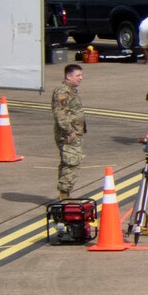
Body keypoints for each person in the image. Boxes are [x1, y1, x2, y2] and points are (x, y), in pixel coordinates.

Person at [50, 63, 86, 200]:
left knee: (68, 162)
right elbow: (60, 114)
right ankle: (64, 195)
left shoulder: (70, 91)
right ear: (68, 76)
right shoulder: (62, 92)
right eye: (78, 75)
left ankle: (64, 194)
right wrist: (70, 131)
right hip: (68, 134)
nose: (80, 78)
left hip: (74, 133)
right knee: (71, 163)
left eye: (81, 75)